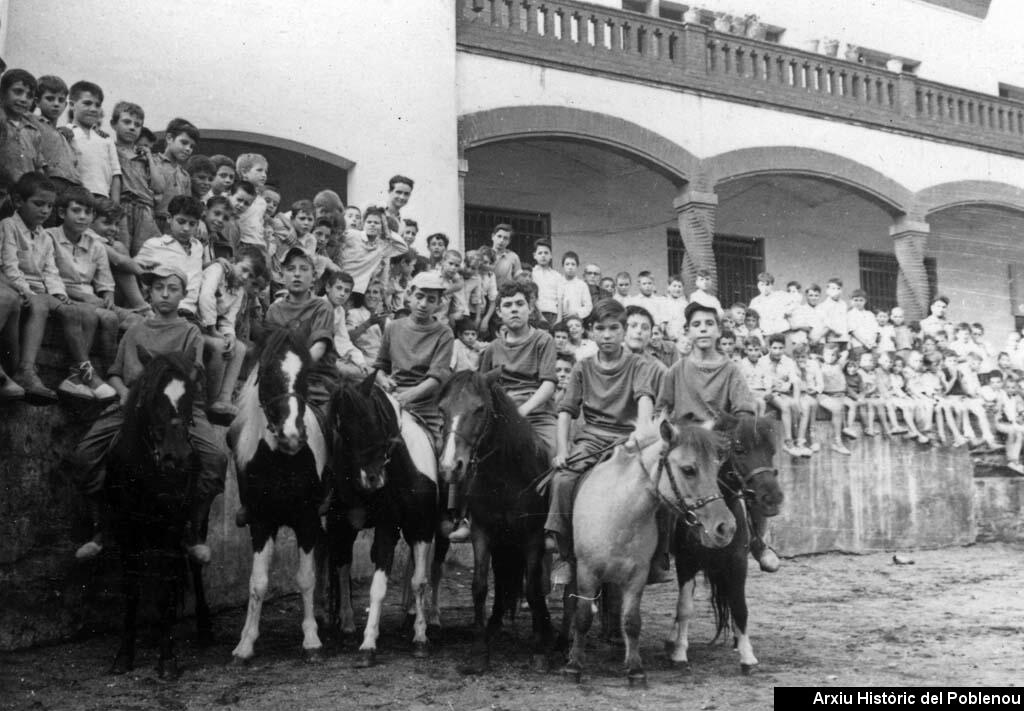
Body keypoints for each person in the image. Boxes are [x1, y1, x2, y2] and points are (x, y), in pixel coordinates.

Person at [72, 264, 227, 562]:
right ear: (149, 293)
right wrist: (125, 392)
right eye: (159, 288)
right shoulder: (134, 331)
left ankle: (194, 533)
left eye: (172, 288)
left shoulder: (190, 332)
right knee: (85, 454)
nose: (165, 294)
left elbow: (192, 373)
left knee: (215, 459)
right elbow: (116, 373)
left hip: (178, 407)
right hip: (134, 405)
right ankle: (99, 530)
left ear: (183, 294)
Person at [655, 301, 779, 573]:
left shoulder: (730, 369)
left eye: (709, 324)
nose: (703, 330)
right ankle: (660, 550)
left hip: (718, 445)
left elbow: (744, 411)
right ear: (688, 331)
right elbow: (662, 408)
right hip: (686, 445)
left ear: (718, 330)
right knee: (662, 482)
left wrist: (719, 430)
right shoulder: (676, 370)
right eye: (696, 325)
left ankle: (759, 541)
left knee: (755, 476)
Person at [543, 298, 661, 581]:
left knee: (660, 487)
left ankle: (659, 557)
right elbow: (565, 412)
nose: (607, 335)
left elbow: (644, 405)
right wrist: (563, 449)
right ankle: (564, 553)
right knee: (562, 480)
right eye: (600, 328)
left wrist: (640, 434)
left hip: (627, 440)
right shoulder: (582, 367)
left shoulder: (639, 365)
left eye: (614, 328)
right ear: (591, 332)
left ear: (623, 331)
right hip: (592, 439)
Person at [1, 172, 115, 402]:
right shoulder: (9, 226)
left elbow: (50, 271)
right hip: (21, 287)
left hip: (41, 289)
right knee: (40, 306)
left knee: (80, 311)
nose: (44, 211)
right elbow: (10, 267)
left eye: (49, 206)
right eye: (38, 204)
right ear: (18, 201)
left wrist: (60, 295)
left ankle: (80, 373)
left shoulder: (43, 236)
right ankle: (26, 369)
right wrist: (27, 291)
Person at [373, 270, 454, 473]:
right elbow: (380, 366)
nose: (424, 304)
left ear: (439, 303)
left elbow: (438, 377)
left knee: (442, 449)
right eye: (419, 296)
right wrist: (383, 380)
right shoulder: (393, 327)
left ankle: (445, 501)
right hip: (392, 398)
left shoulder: (444, 333)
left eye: (431, 299)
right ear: (409, 295)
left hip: (427, 404)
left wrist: (408, 396)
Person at [45, 186, 128, 370]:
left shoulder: (95, 245)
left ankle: (117, 374)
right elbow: (48, 278)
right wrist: (84, 297)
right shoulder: (49, 237)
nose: (82, 216)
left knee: (136, 321)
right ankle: (98, 371)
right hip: (64, 295)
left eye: (88, 212)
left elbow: (105, 282)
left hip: (92, 299)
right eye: (76, 210)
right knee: (110, 319)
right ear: (61, 212)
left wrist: (108, 297)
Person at [198, 246, 266, 421]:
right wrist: (213, 330)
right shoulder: (218, 270)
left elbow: (229, 318)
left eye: (250, 276)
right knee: (220, 346)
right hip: (195, 321)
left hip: (212, 328)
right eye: (244, 270)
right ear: (234, 262)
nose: (245, 277)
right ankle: (212, 401)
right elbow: (205, 297)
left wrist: (229, 335)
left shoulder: (239, 289)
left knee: (239, 348)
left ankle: (225, 398)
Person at [136, 195, 205, 317]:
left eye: (192, 224)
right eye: (181, 221)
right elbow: (136, 271)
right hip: (164, 310)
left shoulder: (197, 247)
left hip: (191, 312)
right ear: (169, 218)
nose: (186, 228)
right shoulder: (154, 245)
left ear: (197, 224)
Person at [110, 101, 163, 255]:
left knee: (148, 255)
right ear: (113, 124)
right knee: (121, 251)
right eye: (126, 122)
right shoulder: (109, 148)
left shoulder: (144, 157)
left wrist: (149, 158)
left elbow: (159, 187)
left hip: (144, 210)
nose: (132, 127)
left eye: (137, 124)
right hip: (122, 208)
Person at [67, 81, 121, 202]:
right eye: (87, 103)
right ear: (72, 105)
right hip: (77, 199)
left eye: (97, 105)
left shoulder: (106, 139)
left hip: (103, 200)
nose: (93, 109)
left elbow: (115, 175)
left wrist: (114, 207)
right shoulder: (65, 133)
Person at [339, 205, 408, 296]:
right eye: (369, 222)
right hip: (340, 284)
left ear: (382, 226)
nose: (372, 224)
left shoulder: (382, 247)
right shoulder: (352, 235)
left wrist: (387, 230)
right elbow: (335, 240)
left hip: (358, 291)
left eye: (376, 223)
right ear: (363, 224)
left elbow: (403, 248)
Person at [33, 75, 81, 198]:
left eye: (60, 100)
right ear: (37, 101)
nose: (56, 104)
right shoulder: (34, 122)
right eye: (50, 99)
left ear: (65, 105)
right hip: (51, 181)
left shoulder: (63, 134)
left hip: (72, 184)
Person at [758, 333, 803, 456]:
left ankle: (799, 441)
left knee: (795, 406)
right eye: (775, 348)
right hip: (767, 392)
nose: (777, 351)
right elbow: (765, 383)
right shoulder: (762, 361)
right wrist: (777, 386)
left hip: (782, 392)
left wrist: (796, 399)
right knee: (785, 407)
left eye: (780, 348)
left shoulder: (788, 361)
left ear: (784, 348)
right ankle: (788, 442)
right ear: (769, 348)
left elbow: (794, 381)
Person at [152, 118, 199, 232]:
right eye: (184, 142)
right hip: (152, 222)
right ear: (169, 138)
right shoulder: (152, 163)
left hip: (176, 228)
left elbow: (188, 209)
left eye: (192, 146)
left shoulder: (185, 175)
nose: (188, 149)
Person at [321, 270, 368, 380]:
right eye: (339, 288)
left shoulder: (339, 311)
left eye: (346, 291)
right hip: (315, 356)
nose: (342, 293)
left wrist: (360, 361)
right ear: (328, 287)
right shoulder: (319, 305)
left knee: (363, 371)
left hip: (328, 356)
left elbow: (343, 340)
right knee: (360, 375)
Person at [0, 69, 45, 182]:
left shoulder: (33, 131)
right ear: (3, 93)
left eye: (29, 96)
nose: (24, 99)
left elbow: (38, 167)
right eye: (18, 92)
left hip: (25, 194)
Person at [235, 153, 269, 248]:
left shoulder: (262, 201)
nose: (264, 175)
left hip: (259, 245)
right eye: (259, 170)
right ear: (244, 172)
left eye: (265, 172)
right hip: (242, 243)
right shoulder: (235, 195)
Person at [531, 239, 563, 325]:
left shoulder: (557, 276)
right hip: (536, 313)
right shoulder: (531, 274)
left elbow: (560, 298)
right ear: (534, 256)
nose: (543, 256)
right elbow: (531, 296)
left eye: (546, 253)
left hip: (554, 314)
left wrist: (559, 319)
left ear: (551, 255)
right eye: (540, 253)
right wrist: (539, 316)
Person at [559, 250, 592, 322]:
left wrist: (575, 312)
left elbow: (588, 307)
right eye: (567, 264)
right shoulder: (558, 282)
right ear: (563, 266)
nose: (570, 267)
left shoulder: (582, 285)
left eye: (573, 264)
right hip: (560, 319)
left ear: (577, 266)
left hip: (576, 320)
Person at [490, 223, 520, 288]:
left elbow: (518, 278)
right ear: (493, 236)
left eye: (505, 238)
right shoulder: (485, 254)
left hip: (505, 294)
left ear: (509, 241)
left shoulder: (513, 257)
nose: (501, 240)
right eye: (499, 236)